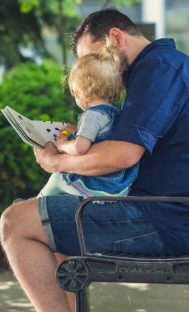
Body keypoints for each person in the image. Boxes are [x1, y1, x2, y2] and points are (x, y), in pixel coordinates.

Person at [0, 8, 189, 312]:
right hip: (178, 213)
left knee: (16, 222)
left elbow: (123, 156)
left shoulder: (160, 70)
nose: (95, 69)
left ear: (116, 37)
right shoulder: (159, 69)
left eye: (94, 56)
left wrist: (57, 163)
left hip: (170, 219)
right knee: (51, 221)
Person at [40, 42, 139, 198]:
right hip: (118, 184)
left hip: (99, 185)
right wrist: (75, 131)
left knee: (58, 178)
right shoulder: (114, 112)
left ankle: (36, 204)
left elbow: (80, 148)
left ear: (82, 92)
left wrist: (63, 144)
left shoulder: (92, 115)